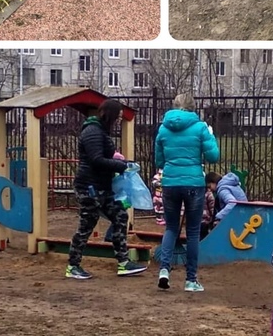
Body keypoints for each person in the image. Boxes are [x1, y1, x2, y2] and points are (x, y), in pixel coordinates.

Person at [64, 98, 145, 280]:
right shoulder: (92, 131)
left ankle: (123, 263)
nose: (117, 121)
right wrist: (121, 166)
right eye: (116, 117)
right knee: (87, 224)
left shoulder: (100, 130)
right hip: (89, 187)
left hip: (101, 186)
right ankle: (73, 265)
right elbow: (96, 159)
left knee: (120, 215)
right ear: (109, 115)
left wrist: (122, 163)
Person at [154, 94, 220, 292]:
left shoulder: (163, 129)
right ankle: (191, 280)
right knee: (192, 232)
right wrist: (211, 136)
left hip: (170, 183)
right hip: (193, 183)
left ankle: (164, 270)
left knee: (171, 228)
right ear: (193, 108)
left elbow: (159, 161)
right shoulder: (200, 128)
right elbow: (213, 156)